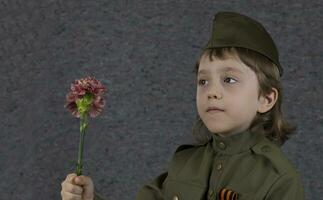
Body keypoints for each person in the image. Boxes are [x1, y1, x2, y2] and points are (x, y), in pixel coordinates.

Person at [61, 11, 305, 200]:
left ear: (266, 99)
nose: (212, 92)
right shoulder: (184, 164)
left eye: (229, 79)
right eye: (203, 81)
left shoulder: (278, 178)